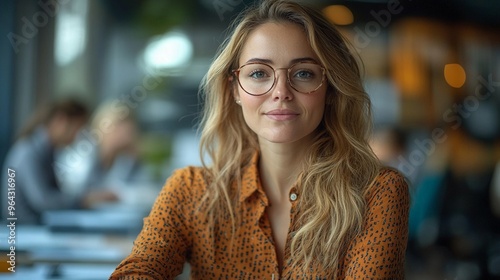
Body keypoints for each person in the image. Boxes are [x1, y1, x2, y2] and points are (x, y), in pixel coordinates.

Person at [110, 0, 409, 279]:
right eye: (258, 74)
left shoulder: (376, 194)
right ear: (235, 90)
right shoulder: (191, 192)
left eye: (303, 73)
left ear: (330, 89)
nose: (280, 91)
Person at [1, 98, 118, 224]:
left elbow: (55, 194)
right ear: (61, 120)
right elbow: (42, 202)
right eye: (77, 129)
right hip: (23, 231)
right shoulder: (28, 152)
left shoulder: (46, 151)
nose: (77, 137)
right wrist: (84, 200)